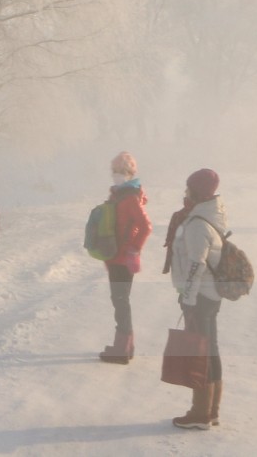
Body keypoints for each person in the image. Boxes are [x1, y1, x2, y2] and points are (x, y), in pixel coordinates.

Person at [165, 167, 228, 430]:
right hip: (209, 296)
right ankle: (210, 411)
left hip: (200, 298)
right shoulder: (211, 215)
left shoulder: (196, 223)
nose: (185, 192)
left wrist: (187, 299)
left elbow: (195, 264)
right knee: (210, 351)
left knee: (201, 353)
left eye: (188, 187)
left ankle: (200, 413)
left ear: (197, 191)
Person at [97, 151, 153, 364]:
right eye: (114, 171)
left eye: (121, 172)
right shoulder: (120, 194)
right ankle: (125, 345)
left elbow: (146, 226)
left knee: (120, 300)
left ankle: (122, 348)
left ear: (130, 173)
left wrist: (133, 249)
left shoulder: (129, 197)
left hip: (122, 258)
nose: (116, 175)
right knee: (120, 300)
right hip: (116, 256)